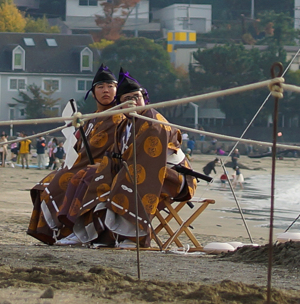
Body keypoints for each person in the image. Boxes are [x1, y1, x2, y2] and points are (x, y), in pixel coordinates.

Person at [95, 73, 197, 248]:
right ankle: (107, 234)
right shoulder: (124, 125)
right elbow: (115, 156)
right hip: (141, 171)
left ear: (144, 98)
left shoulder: (154, 123)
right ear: (119, 104)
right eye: (127, 99)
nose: (133, 102)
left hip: (173, 178)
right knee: (101, 177)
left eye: (137, 97)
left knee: (129, 178)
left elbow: (149, 162)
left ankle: (135, 236)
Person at [27, 65, 123, 245]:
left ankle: (77, 231)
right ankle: (57, 233)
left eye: (110, 86)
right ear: (93, 93)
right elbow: (78, 146)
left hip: (105, 168)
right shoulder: (90, 118)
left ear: (117, 90)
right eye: (101, 87)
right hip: (82, 163)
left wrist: (104, 164)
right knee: (45, 183)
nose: (106, 90)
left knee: (69, 180)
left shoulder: (121, 117)